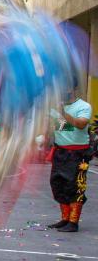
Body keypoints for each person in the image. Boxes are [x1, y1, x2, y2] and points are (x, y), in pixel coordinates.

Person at [47, 81, 93, 233]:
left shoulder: (84, 106)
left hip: (77, 154)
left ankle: (73, 222)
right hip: (60, 152)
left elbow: (81, 125)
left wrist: (62, 112)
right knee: (58, 184)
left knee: (75, 186)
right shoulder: (55, 107)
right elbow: (64, 127)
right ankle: (65, 219)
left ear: (72, 88)